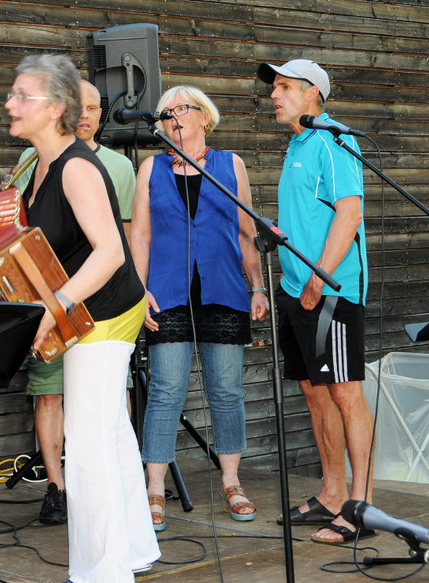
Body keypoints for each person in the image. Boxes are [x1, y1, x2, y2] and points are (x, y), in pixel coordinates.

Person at [5, 54, 158, 581]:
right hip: (92, 308)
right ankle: (133, 550)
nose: (10, 103)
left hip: (104, 313)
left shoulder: (74, 166)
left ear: (55, 108)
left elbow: (111, 251)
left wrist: (56, 305)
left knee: (88, 440)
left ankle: (102, 571)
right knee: (110, 430)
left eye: (22, 95)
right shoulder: (40, 164)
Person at [130, 86, 269, 532]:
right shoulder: (150, 168)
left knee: (226, 391)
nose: (174, 117)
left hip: (224, 291)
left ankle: (231, 481)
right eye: (166, 112)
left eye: (182, 109)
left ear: (204, 117)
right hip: (167, 293)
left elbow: (247, 232)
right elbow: (141, 235)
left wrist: (258, 286)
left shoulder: (231, 165)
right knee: (166, 390)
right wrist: (139, 291)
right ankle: (154, 488)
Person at [257, 59, 373, 544]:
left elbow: (349, 214)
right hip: (295, 289)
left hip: (332, 290)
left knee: (345, 392)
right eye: (274, 87)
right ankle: (331, 492)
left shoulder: (332, 141)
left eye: (284, 87)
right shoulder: (298, 144)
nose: (274, 95)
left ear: (312, 94)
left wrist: (319, 279)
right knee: (314, 391)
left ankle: (360, 507)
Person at [12, 79, 137, 524]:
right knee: (74, 411)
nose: (83, 114)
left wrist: (56, 305)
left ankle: (107, 544)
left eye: (92, 107)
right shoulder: (33, 162)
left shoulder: (92, 166)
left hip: (96, 308)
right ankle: (62, 491)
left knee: (95, 429)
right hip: (57, 305)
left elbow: (118, 244)